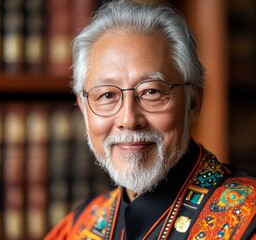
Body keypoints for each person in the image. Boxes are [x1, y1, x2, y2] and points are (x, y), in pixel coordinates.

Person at [45, 0, 256, 239]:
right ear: (84, 108)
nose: (128, 119)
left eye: (151, 92)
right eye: (107, 95)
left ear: (193, 103)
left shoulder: (248, 219)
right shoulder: (78, 227)